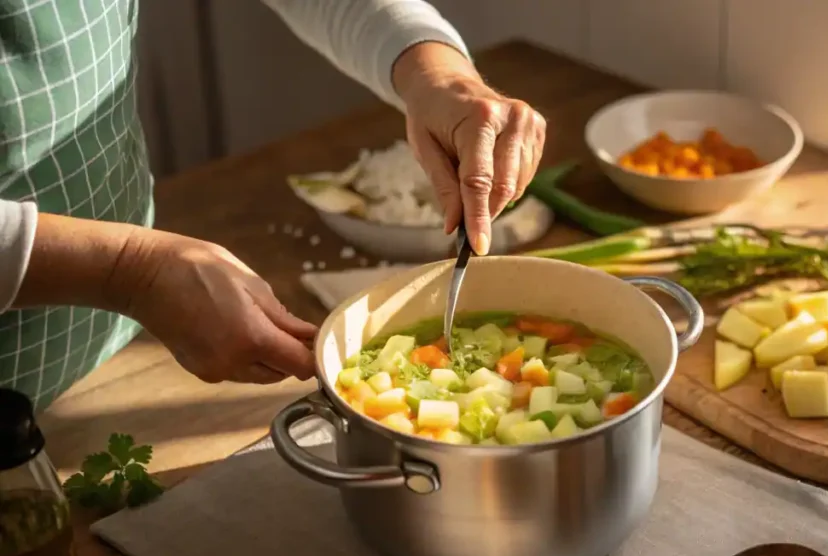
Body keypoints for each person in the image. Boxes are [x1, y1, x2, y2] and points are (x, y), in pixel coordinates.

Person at [0, 0, 546, 412]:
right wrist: (127, 270)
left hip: (111, 351)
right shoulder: (131, 272)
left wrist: (438, 75)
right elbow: (130, 271)